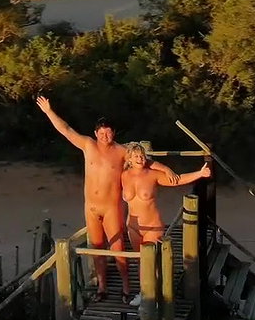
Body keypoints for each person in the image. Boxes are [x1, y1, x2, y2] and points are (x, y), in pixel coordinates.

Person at [35, 95, 178, 302]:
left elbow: (145, 161)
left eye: (108, 132)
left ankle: (126, 287)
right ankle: (102, 287)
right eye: (101, 133)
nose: (105, 136)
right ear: (96, 133)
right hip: (91, 208)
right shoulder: (88, 145)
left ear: (114, 133)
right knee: (96, 247)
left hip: (112, 207)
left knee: (118, 250)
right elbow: (66, 130)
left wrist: (166, 168)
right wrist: (49, 111)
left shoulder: (122, 151)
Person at [121, 142, 211, 302]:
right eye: (136, 156)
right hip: (133, 226)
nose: (140, 158)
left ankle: (155, 294)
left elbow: (176, 180)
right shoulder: (123, 175)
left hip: (152, 225)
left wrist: (200, 173)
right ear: (129, 159)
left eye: (142, 156)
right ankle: (144, 293)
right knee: (140, 260)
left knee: (152, 261)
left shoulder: (152, 175)